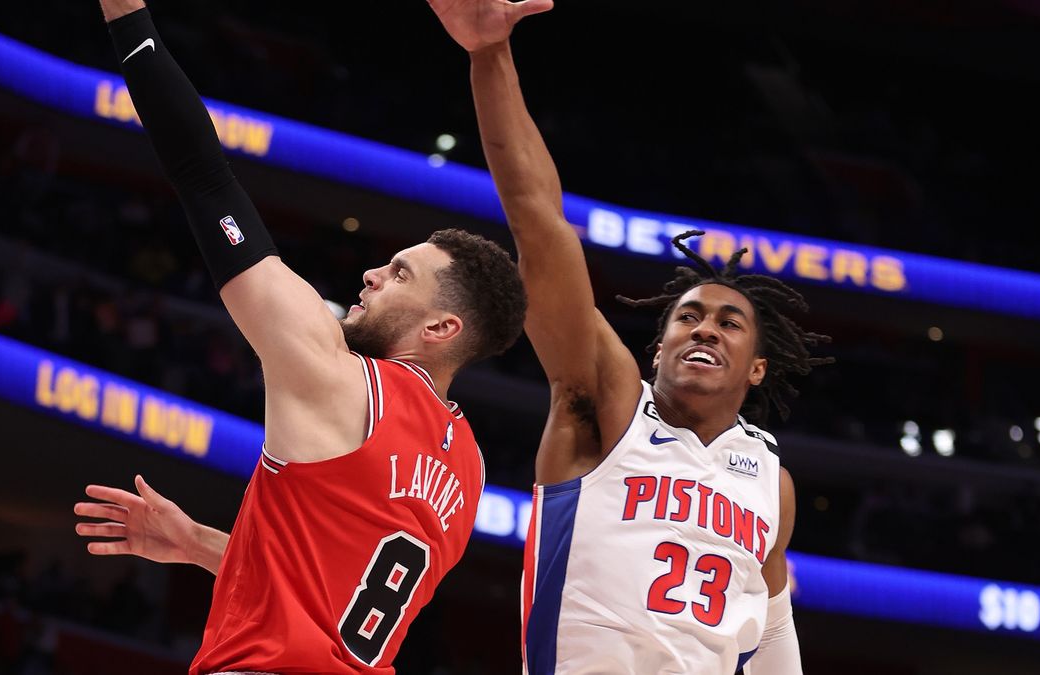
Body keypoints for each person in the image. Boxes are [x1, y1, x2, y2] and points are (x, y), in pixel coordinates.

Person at [74, 2, 527, 673]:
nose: (371, 275)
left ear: (441, 328)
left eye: (399, 274)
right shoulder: (468, 470)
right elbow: (328, 600)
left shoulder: (337, 373)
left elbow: (203, 176)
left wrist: (126, 18)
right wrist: (198, 542)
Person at [428, 1, 832, 673]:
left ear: (758, 368)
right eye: (687, 316)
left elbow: (773, 626)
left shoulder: (770, 480)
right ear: (658, 348)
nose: (704, 326)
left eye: (728, 322)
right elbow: (538, 224)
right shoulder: (606, 402)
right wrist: (488, 56)